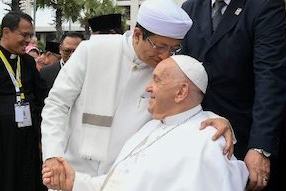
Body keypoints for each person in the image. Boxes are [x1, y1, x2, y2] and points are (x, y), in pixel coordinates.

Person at [41, 0, 234, 190]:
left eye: (173, 48)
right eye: (160, 46)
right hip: (69, 173)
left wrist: (214, 118)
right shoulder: (92, 50)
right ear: (137, 35)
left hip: (121, 180)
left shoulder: (166, 70)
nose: (165, 56)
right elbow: (57, 104)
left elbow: (186, 102)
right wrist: (53, 156)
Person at [42, 55, 249, 191]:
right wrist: (75, 182)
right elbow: (121, 184)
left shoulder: (209, 143)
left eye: (157, 80)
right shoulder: (151, 126)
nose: (148, 87)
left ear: (181, 92)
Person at [181, 0, 286, 190]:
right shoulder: (190, 8)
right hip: (198, 138)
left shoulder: (264, 6)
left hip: (243, 139)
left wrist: (260, 147)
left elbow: (270, 78)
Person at [0, 11, 48, 191]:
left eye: (30, 35)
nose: (28, 40)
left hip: (29, 135)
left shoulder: (27, 62)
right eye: (24, 35)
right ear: (6, 32)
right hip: (4, 140)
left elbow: (43, 95)